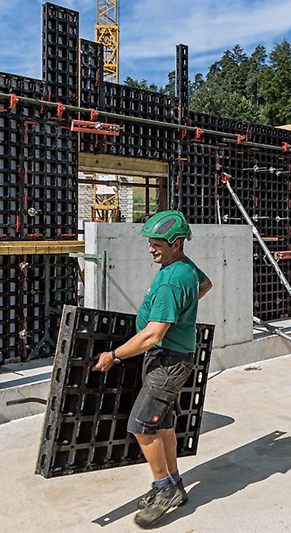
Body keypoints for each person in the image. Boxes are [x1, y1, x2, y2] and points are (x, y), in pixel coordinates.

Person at [92, 210, 212, 529]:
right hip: (175, 354)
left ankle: (163, 490)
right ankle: (174, 482)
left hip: (168, 361)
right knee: (163, 425)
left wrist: (114, 356)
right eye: (150, 242)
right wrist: (184, 313)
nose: (150, 249)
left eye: (156, 243)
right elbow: (205, 284)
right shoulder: (184, 268)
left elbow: (152, 334)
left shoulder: (172, 281)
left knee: (141, 425)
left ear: (175, 243)